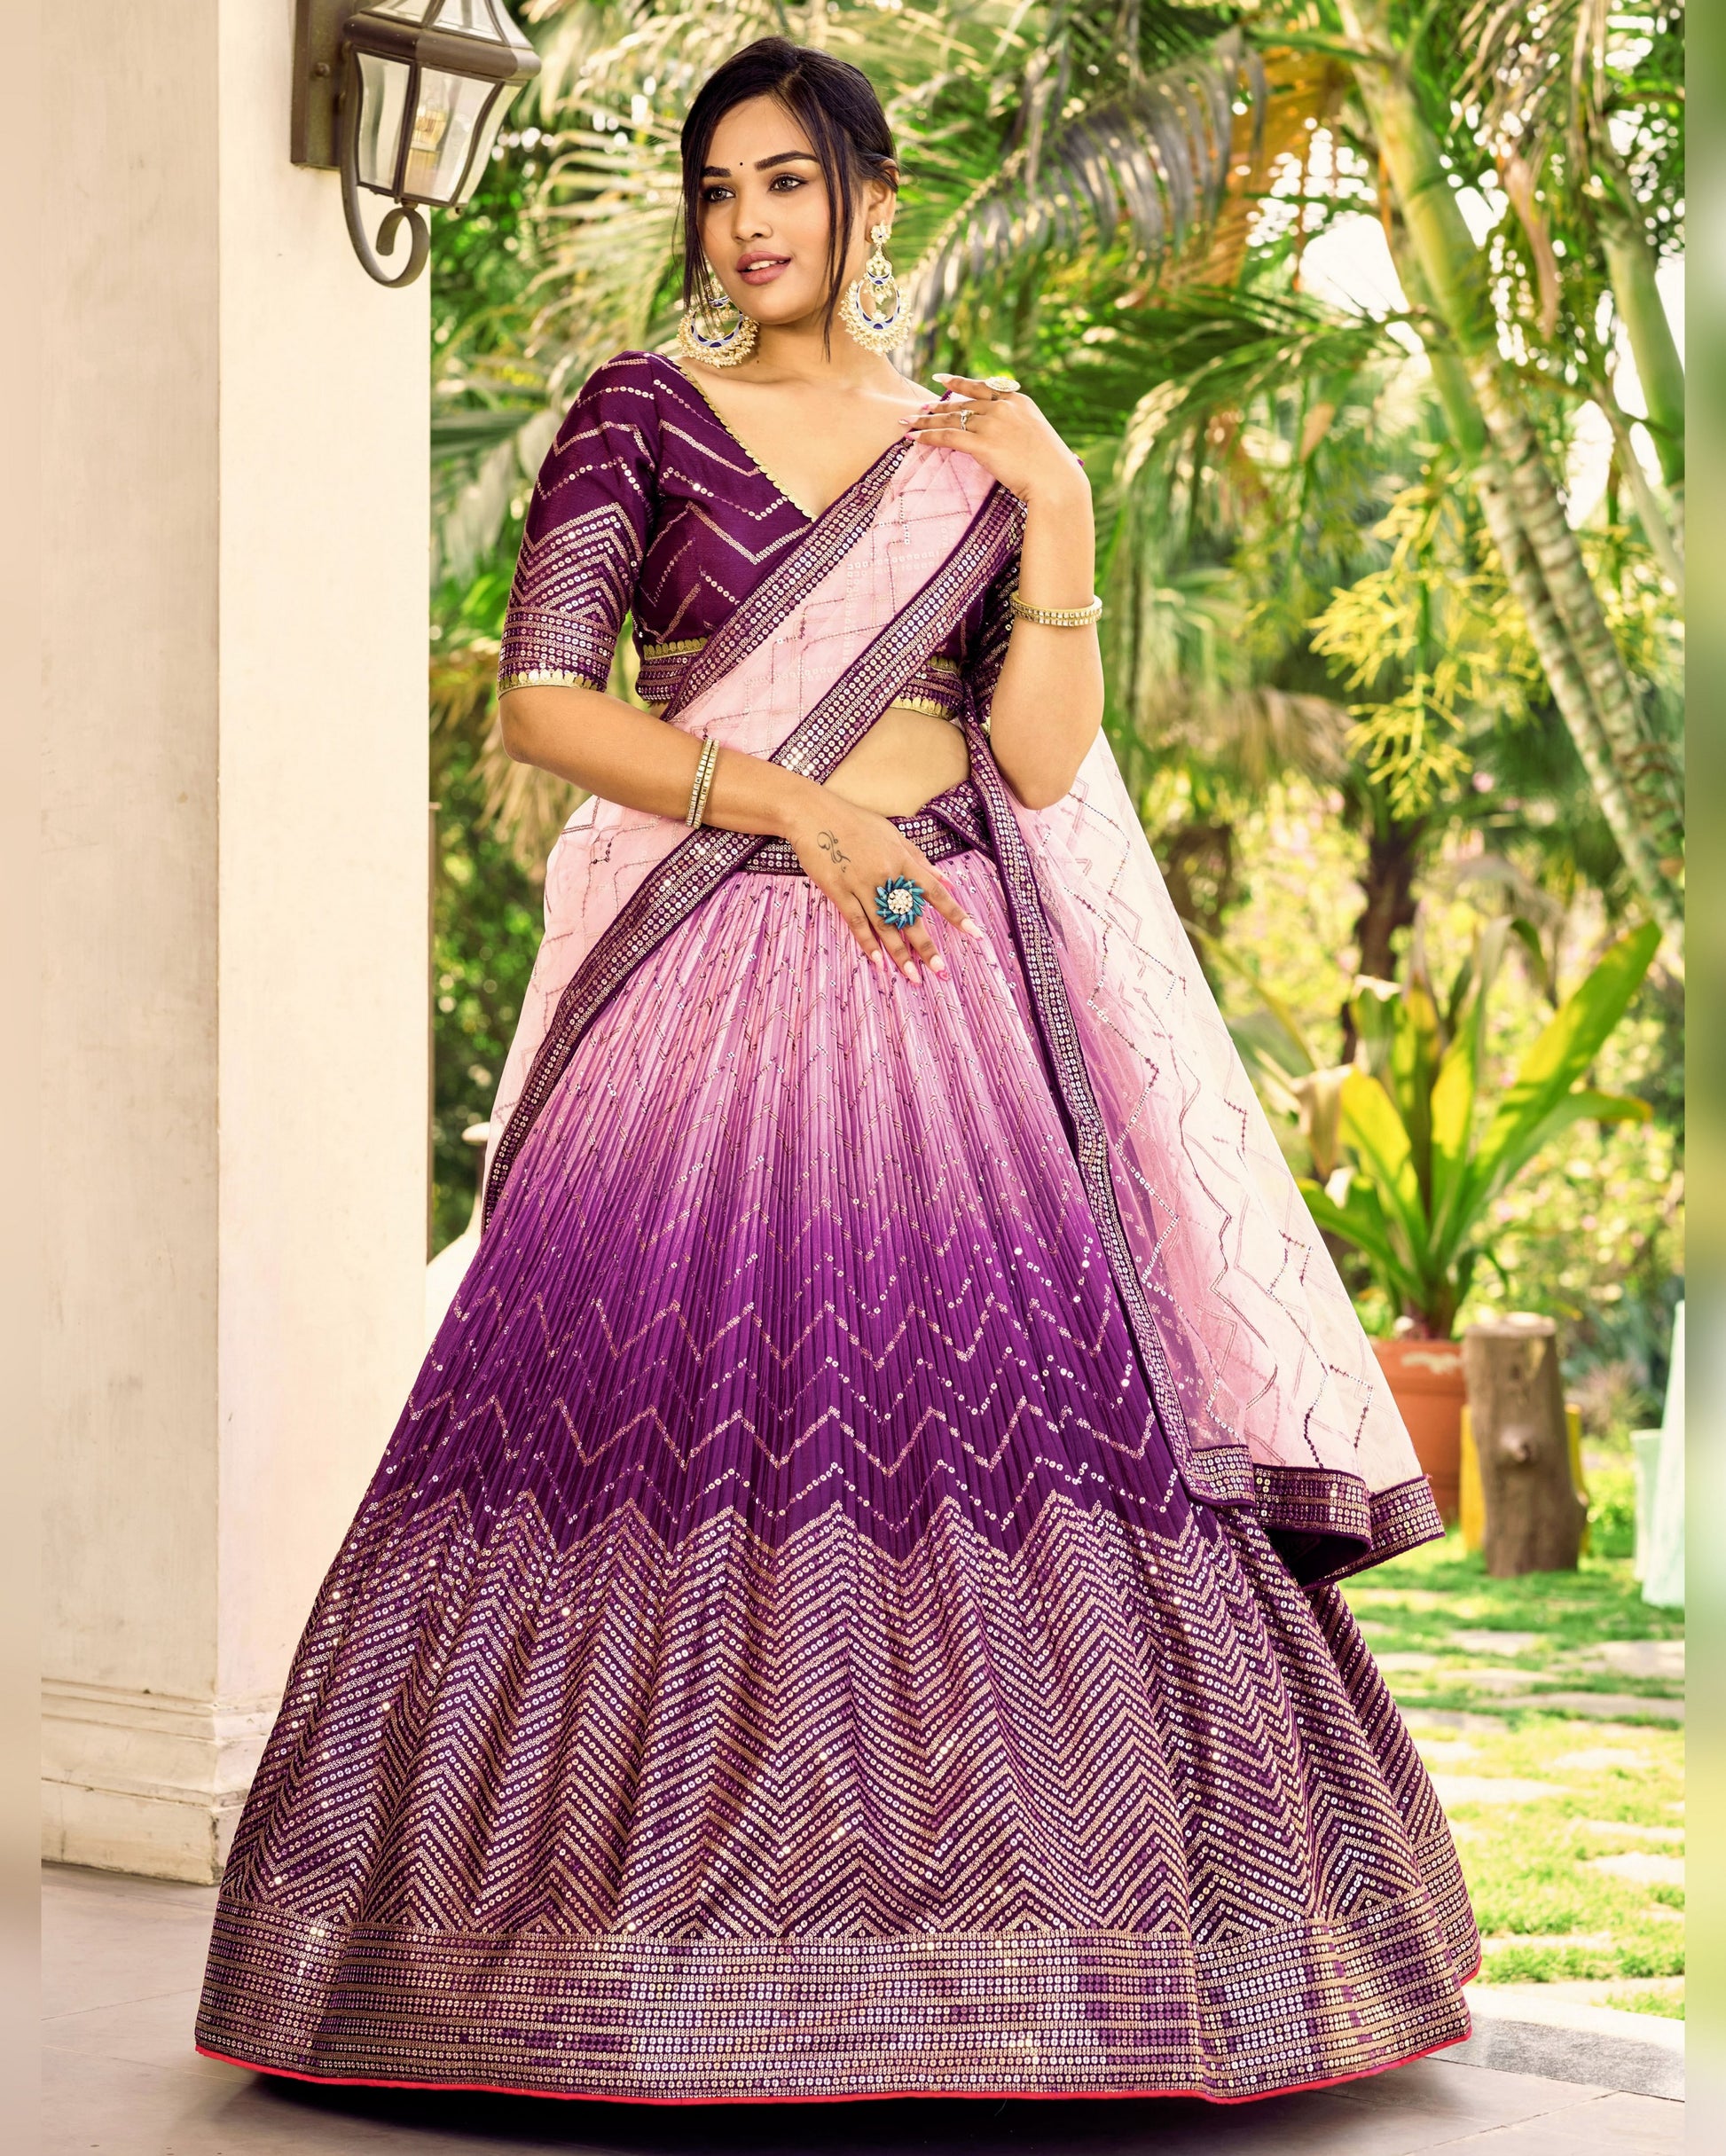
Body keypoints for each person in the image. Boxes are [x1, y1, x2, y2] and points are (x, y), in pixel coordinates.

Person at [196, 35, 1478, 2106]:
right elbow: (545, 704)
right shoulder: (642, 413)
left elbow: (1041, 761)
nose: (749, 224)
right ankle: (565, 1961)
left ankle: (1059, 1967)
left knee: (995, 1431)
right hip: (713, 970)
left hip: (948, 973)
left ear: (869, 198)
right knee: (656, 1424)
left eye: (785, 181)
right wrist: (794, 815)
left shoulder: (974, 456)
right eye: (719, 190)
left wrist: (1054, 506)